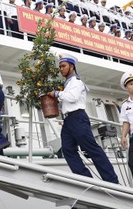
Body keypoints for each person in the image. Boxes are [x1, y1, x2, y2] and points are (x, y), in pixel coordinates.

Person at [47, 53, 118, 183]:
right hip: (68, 120)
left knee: (91, 149)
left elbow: (72, 97)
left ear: (72, 67)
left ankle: (112, 180)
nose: (61, 69)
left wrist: (56, 94)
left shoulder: (76, 82)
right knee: (68, 149)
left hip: (78, 117)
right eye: (60, 67)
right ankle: (85, 179)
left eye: (63, 66)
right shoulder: (68, 83)